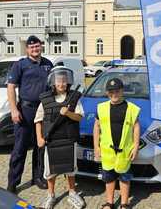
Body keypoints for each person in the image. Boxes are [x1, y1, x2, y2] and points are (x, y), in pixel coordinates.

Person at [7, 35, 53, 193]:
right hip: (25, 111)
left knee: (40, 146)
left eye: (37, 46)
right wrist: (14, 109)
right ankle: (13, 182)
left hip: (43, 111)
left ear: (41, 47)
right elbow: (11, 87)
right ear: (27, 49)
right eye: (32, 47)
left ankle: (38, 177)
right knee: (19, 148)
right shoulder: (20, 65)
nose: (35, 49)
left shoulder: (48, 64)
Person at [35, 66, 85, 209]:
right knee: (51, 171)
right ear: (53, 82)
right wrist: (39, 137)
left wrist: (68, 113)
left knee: (70, 169)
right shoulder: (45, 99)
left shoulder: (74, 98)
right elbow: (37, 120)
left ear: (68, 82)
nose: (61, 84)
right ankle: (51, 195)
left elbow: (79, 117)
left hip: (69, 140)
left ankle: (72, 192)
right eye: (58, 81)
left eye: (64, 81)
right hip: (51, 141)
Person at [93, 78, 140, 209]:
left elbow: (136, 126)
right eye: (111, 91)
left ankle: (124, 203)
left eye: (117, 91)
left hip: (124, 151)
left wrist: (136, 146)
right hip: (108, 153)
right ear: (107, 92)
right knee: (109, 179)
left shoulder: (131, 108)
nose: (114, 94)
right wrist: (96, 146)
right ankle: (110, 202)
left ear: (122, 91)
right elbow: (96, 127)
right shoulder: (101, 107)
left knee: (125, 178)